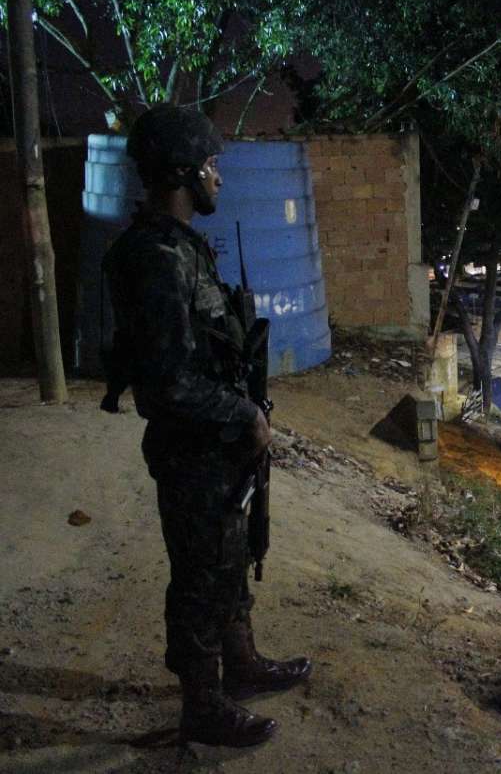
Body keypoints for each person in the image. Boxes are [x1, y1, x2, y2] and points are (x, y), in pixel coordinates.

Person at [103, 105, 311, 748]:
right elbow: (166, 383)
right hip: (192, 449)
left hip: (214, 446)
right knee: (200, 577)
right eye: (211, 165)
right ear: (183, 173)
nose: (219, 177)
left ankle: (240, 664)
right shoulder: (157, 258)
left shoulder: (180, 245)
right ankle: (203, 704)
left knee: (229, 559)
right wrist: (244, 414)